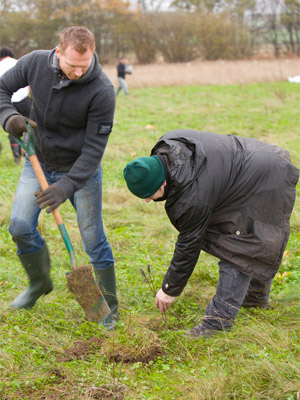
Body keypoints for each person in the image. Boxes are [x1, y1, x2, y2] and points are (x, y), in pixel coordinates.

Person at [123, 129, 299, 338]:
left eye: (149, 195)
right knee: (253, 238)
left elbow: (189, 244)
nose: (147, 201)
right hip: (260, 159)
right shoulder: (168, 144)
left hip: (266, 176)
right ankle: (254, 299)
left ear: (162, 182)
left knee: (238, 245)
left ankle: (218, 322)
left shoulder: (193, 197)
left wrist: (169, 289)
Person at [0, 26, 118, 330]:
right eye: (72, 65)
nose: (79, 72)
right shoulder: (35, 63)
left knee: (93, 240)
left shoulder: (102, 90)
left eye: (85, 64)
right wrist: (9, 117)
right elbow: (1, 89)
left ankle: (109, 307)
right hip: (37, 161)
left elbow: (94, 151)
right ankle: (39, 283)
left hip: (81, 171)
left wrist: (64, 187)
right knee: (20, 226)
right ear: (58, 52)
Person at [0, 46, 32, 164]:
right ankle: (28, 152)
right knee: (28, 126)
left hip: (7, 100)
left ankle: (16, 157)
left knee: (12, 128)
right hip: (23, 99)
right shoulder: (18, 62)